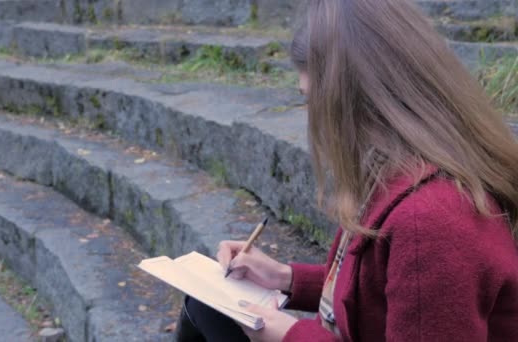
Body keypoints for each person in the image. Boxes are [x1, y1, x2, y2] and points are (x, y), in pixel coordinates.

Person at [175, 0, 518, 340]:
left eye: (312, 101)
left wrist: (290, 336)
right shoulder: (402, 172)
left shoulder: (430, 219)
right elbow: (379, 292)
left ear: (347, 100)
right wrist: (285, 277)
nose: (314, 118)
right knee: (206, 306)